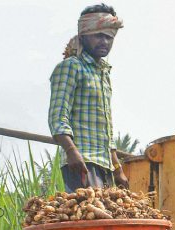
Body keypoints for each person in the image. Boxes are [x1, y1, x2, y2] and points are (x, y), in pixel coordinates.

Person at [49, 4, 130, 192]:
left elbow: (107, 130)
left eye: (109, 37)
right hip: (82, 160)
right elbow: (58, 117)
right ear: (84, 36)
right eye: (98, 36)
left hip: (104, 164)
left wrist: (117, 168)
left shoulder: (103, 74)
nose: (105, 42)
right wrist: (71, 152)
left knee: (109, 217)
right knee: (89, 216)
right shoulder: (71, 67)